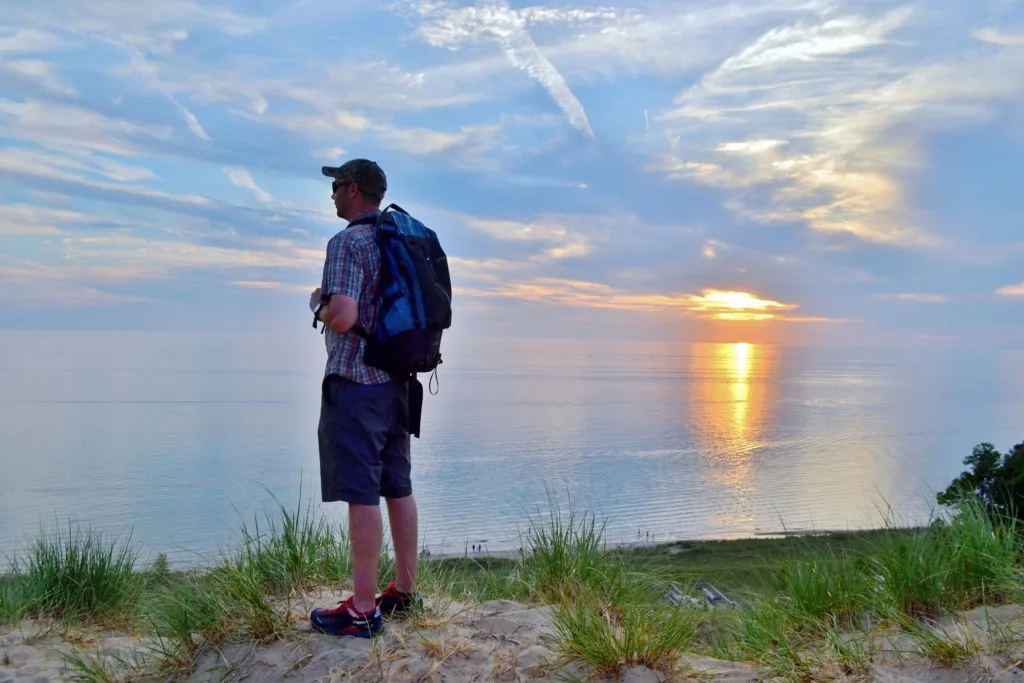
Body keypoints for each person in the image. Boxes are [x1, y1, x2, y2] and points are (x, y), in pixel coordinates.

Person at [307, 158, 423, 638]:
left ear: (353, 190)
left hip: (357, 382)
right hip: (398, 383)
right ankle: (406, 592)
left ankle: (360, 610)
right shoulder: (402, 239)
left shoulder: (348, 242)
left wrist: (318, 301)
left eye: (336, 186)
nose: (331, 194)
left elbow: (342, 315)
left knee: (361, 492)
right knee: (398, 484)